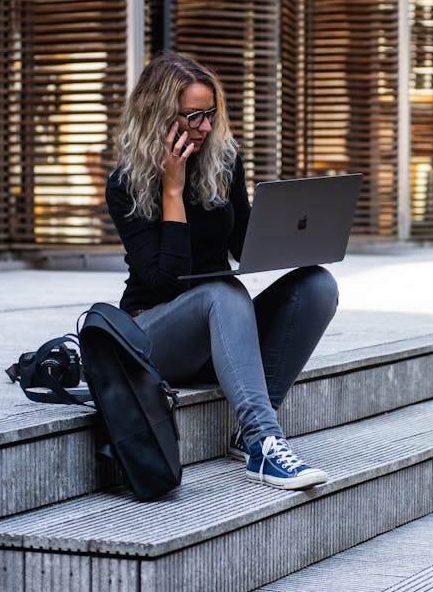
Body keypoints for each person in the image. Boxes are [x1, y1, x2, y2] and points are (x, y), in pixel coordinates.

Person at [105, 51, 338, 490]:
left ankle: (248, 430)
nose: (207, 128)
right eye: (194, 117)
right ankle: (263, 444)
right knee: (223, 292)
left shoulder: (223, 163)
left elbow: (241, 246)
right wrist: (172, 190)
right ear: (159, 116)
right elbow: (165, 283)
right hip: (154, 338)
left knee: (317, 285)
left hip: (219, 333)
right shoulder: (124, 186)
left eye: (210, 114)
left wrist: (297, 234)